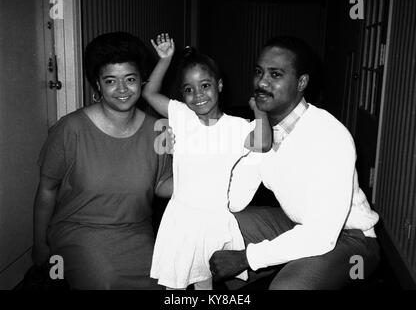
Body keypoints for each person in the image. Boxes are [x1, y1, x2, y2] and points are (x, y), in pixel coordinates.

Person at [209, 36, 381, 290]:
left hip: (351, 239)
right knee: (214, 227)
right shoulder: (262, 129)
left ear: (301, 82)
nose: (262, 82)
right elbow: (235, 201)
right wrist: (257, 134)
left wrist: (248, 258)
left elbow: (321, 235)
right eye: (259, 72)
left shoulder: (329, 136)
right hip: (297, 224)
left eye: (275, 74)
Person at [32, 32, 173, 290]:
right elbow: (46, 190)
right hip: (78, 230)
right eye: (111, 81)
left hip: (136, 231)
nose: (122, 89)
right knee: (105, 282)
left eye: (130, 79)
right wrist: (40, 244)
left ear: (142, 80)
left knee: (165, 285)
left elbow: (162, 183)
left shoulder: (158, 129)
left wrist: (208, 172)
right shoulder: (71, 129)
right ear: (97, 84)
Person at [142, 33, 272, 290]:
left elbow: (264, 142)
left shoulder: (235, 128)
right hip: (180, 217)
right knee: (175, 285)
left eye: (205, 85)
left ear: (219, 85)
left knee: (205, 283)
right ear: (182, 95)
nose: (197, 95)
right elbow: (149, 92)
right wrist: (165, 60)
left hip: (212, 219)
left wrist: (259, 111)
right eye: (188, 89)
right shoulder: (182, 115)